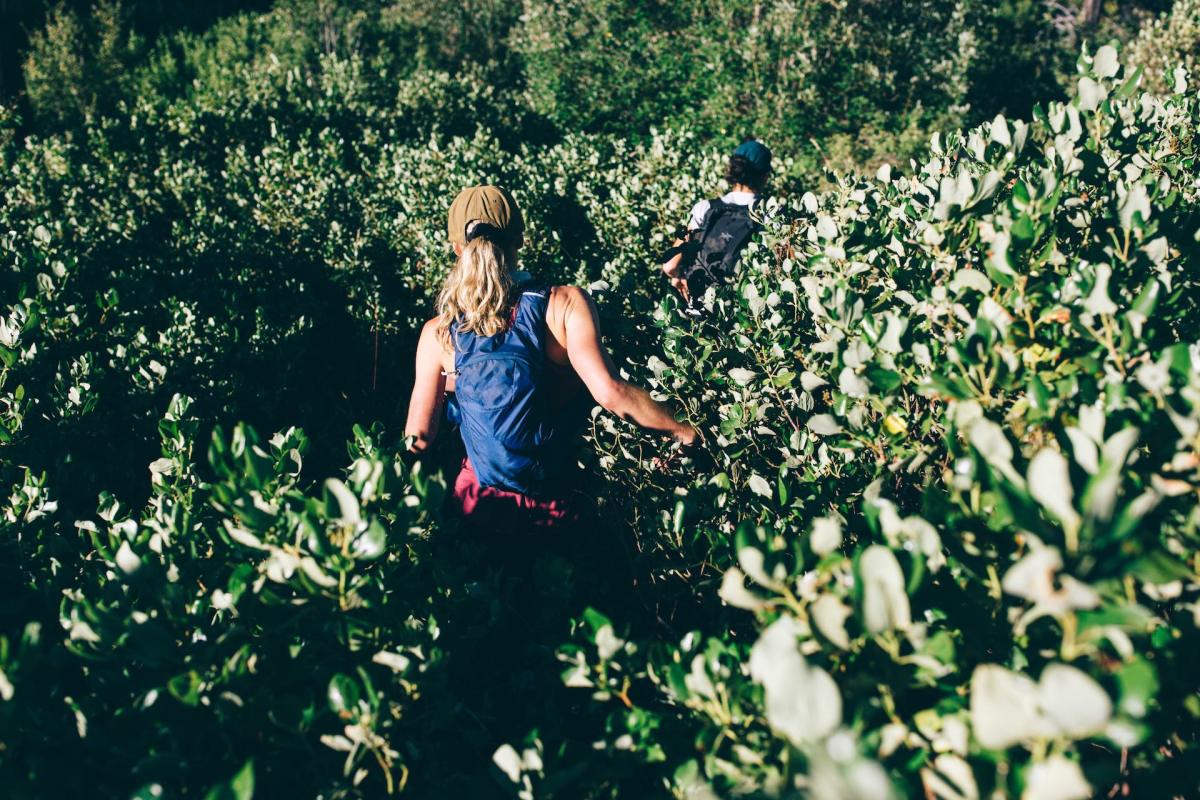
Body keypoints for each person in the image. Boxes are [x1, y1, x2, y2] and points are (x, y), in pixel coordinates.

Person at [405, 185, 698, 533]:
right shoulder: (563, 304)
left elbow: (419, 437)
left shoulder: (438, 332)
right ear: (520, 240)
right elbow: (611, 393)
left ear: (456, 248)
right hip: (555, 502)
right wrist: (686, 430)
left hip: (480, 504)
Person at [661, 139, 772, 308]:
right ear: (764, 175)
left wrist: (680, 276)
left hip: (698, 306)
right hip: (740, 314)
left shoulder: (704, 208)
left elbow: (670, 265)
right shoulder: (769, 216)